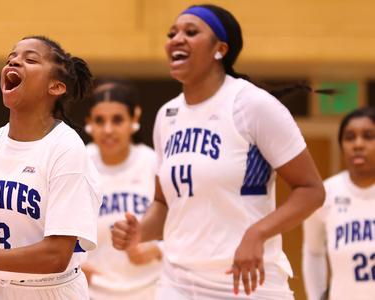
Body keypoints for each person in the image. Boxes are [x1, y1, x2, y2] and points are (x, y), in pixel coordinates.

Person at [111, 4, 325, 299]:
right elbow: (164, 203)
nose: (176, 39)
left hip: (246, 281)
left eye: (191, 32)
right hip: (178, 281)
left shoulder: (252, 105)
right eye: (172, 33)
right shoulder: (167, 115)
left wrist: (257, 233)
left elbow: (311, 190)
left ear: (220, 49)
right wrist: (139, 233)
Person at [0, 35, 101, 300]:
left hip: (52, 291)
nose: (14, 60)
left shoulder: (66, 148)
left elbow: (56, 255)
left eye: (30, 59)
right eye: (11, 57)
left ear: (56, 87)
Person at [81, 81, 162, 299]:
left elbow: (185, 227)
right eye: (99, 121)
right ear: (89, 122)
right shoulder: (78, 164)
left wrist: (157, 250)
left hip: (151, 290)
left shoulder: (154, 163)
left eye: (117, 120)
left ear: (134, 118)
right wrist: (72, 263)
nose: (108, 130)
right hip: (93, 293)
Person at [303, 107, 375, 300]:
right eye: (350, 137)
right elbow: (313, 251)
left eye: (368, 136)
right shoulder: (324, 194)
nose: (358, 144)